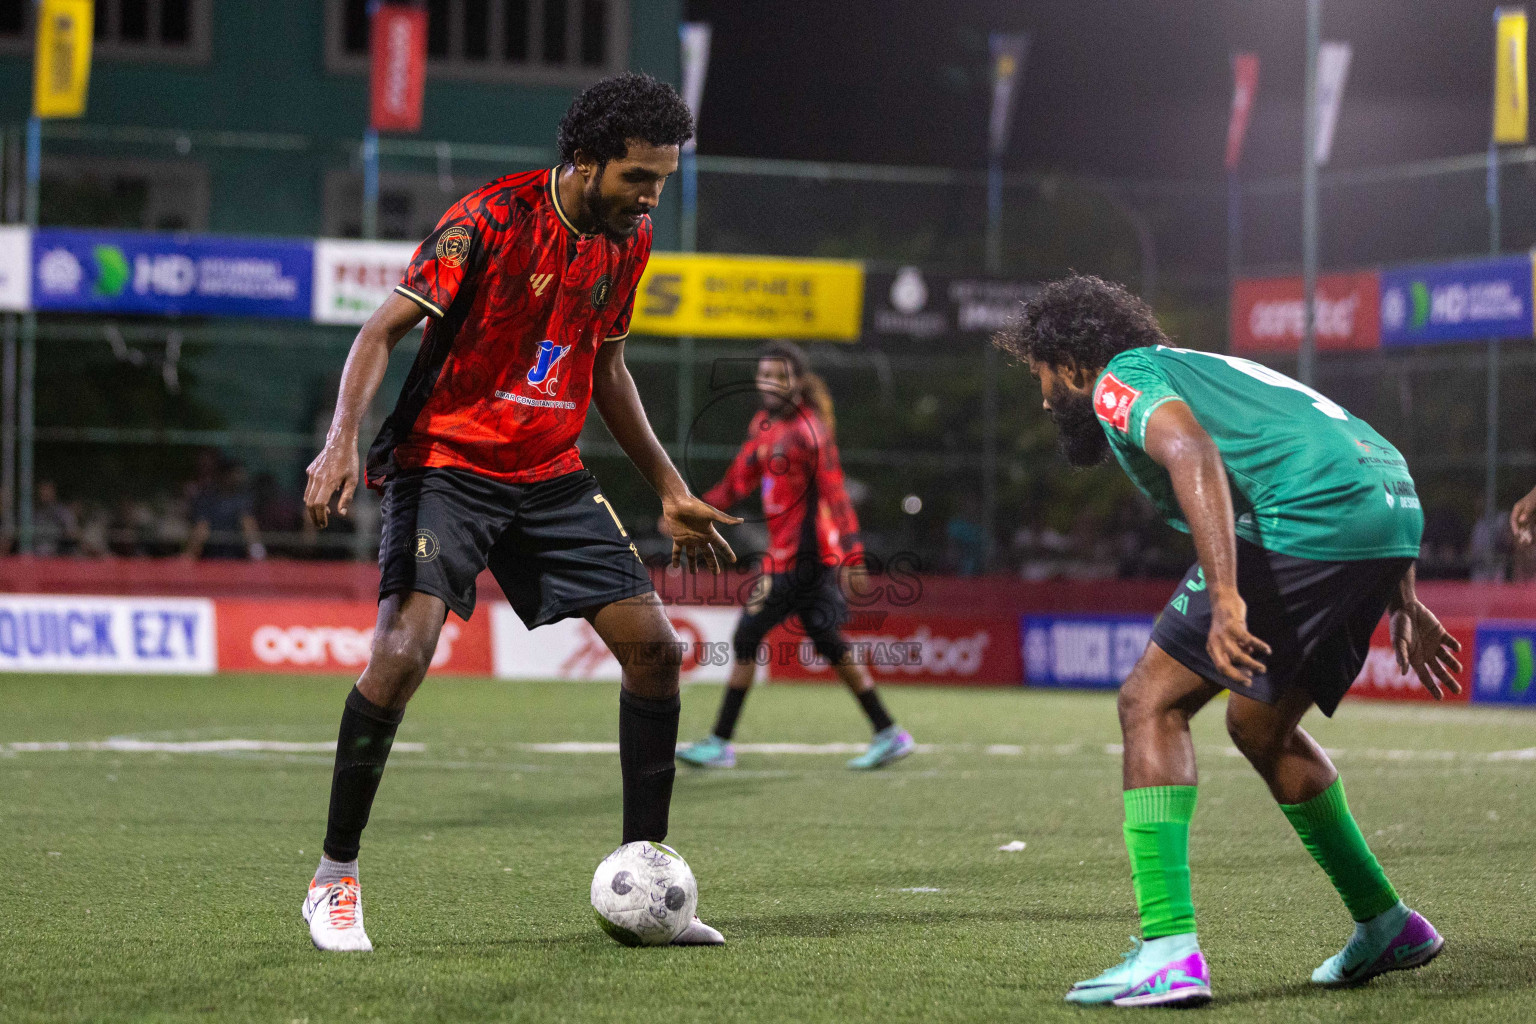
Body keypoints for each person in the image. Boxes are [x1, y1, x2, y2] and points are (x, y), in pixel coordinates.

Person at [300, 73, 739, 953]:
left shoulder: (628, 241)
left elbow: (606, 367)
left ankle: (647, 877)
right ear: (586, 161)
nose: (652, 198)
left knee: (656, 653)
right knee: (399, 655)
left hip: (548, 473)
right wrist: (341, 438)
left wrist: (666, 485)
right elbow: (378, 330)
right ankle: (333, 880)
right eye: (639, 178)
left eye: (662, 179)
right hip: (447, 466)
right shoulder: (488, 221)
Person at [995, 275, 1462, 1007]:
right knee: (1259, 725)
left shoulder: (1123, 379)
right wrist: (1403, 595)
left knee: (1149, 701)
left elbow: (1193, 456)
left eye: (1043, 375)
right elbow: (1352, 448)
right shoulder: (1205, 369)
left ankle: (1169, 948)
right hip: (1388, 505)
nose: (1045, 394)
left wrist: (1224, 596)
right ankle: (1386, 921)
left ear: (1074, 362)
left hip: (1313, 513)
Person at [677, 342, 914, 771]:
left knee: (748, 635)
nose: (769, 382)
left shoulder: (809, 430)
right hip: (788, 555)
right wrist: (696, 509)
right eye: (764, 374)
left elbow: (835, 494)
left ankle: (720, 742)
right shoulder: (764, 425)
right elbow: (738, 480)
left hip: (804, 557)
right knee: (829, 643)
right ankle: (889, 731)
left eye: (778, 375)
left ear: (797, 383)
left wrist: (853, 554)